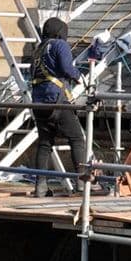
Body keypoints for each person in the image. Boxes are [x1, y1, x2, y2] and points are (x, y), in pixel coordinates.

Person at [28, 16, 94, 195]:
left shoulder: (38, 49)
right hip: (57, 101)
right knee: (77, 139)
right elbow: (66, 68)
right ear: (60, 33)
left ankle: (40, 186)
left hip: (38, 102)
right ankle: (82, 183)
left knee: (44, 143)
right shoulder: (59, 45)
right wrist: (80, 77)